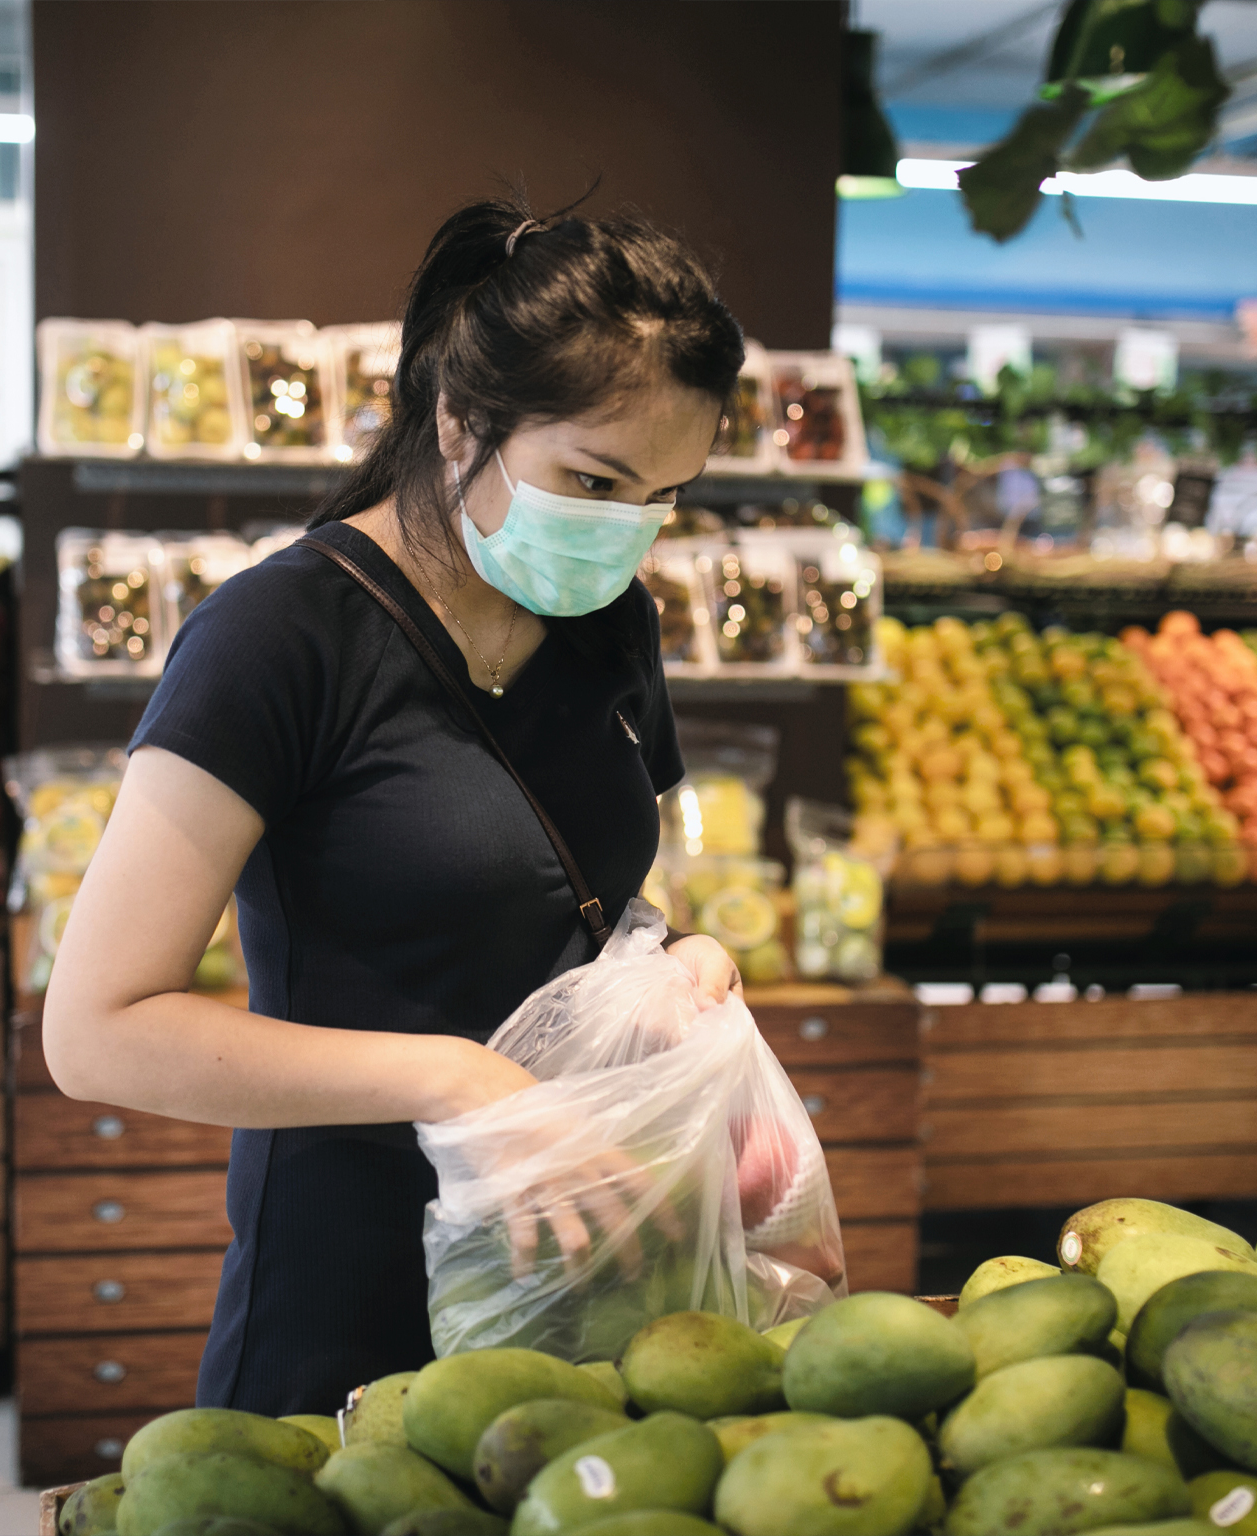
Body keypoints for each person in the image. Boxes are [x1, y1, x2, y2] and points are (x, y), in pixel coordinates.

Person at [42, 196, 749, 1415]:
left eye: (666, 498)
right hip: (350, 1294)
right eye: (593, 478)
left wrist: (673, 957)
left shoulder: (612, 624)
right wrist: (454, 1080)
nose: (625, 532)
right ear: (460, 419)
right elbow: (97, 1029)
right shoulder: (277, 638)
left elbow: (573, 882)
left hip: (589, 1276)